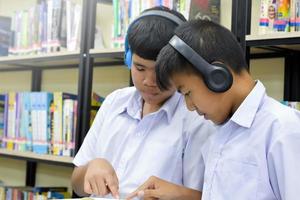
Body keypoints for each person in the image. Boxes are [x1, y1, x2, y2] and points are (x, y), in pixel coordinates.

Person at [127, 19, 300, 200]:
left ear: (217, 76)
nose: (189, 106)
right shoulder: (220, 131)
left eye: (187, 93)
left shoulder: (282, 130)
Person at [71, 7, 215, 199]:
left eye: (160, 71)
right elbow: (76, 185)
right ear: (128, 59)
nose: (149, 81)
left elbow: (204, 196)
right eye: (139, 68)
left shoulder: (196, 118)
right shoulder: (114, 102)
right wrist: (91, 168)